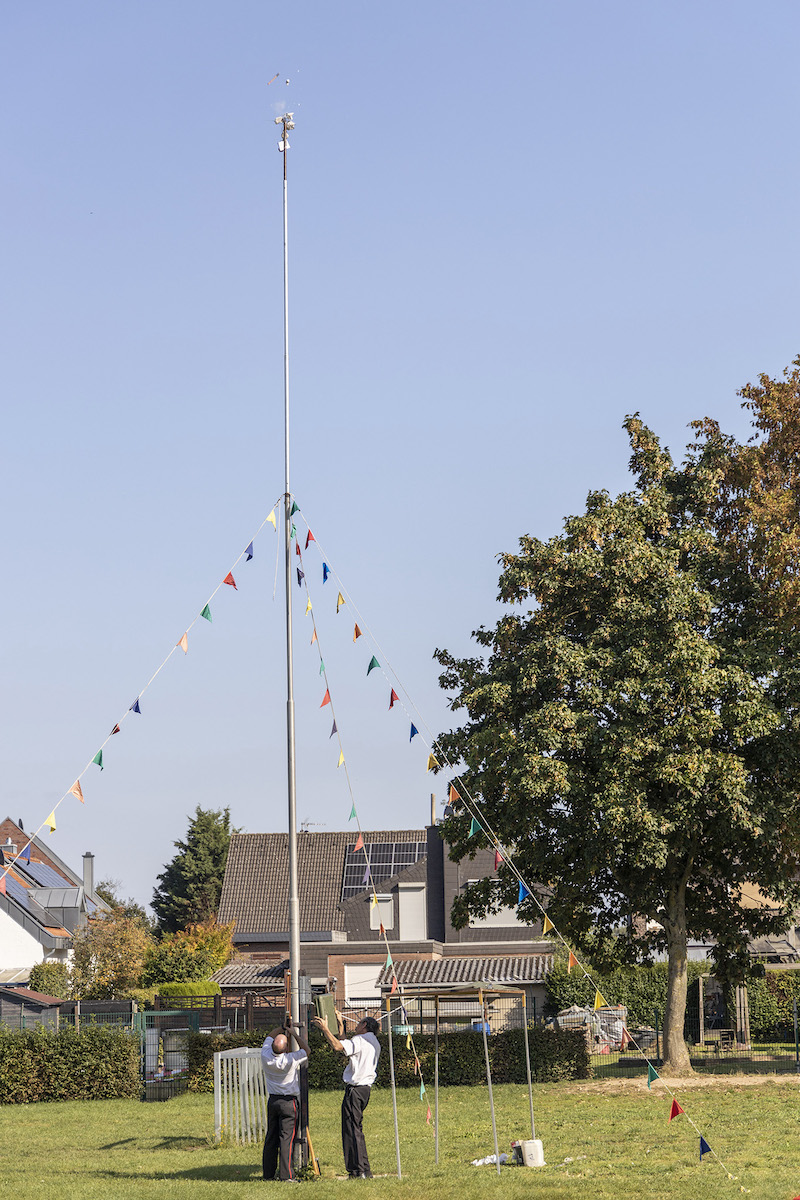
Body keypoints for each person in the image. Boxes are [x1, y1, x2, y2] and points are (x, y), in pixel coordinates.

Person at [312, 1009, 381, 1179]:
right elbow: (345, 1046)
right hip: (365, 1090)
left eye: (358, 1023)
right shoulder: (373, 1041)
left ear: (364, 1025)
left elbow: (337, 1046)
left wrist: (325, 1029)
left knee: (351, 1131)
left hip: (355, 1090)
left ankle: (357, 1171)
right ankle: (364, 1170)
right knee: (356, 1129)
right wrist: (340, 1024)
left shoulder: (360, 1039)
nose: (356, 1026)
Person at [260, 1017, 310, 1182]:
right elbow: (307, 1050)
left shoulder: (265, 1055)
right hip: (289, 1103)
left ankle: (268, 1174)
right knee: (286, 1139)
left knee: (271, 1138)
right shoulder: (290, 1059)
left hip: (273, 1101)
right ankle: (286, 1175)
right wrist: (293, 1033)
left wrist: (281, 1028)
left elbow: (269, 1036)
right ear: (287, 1048)